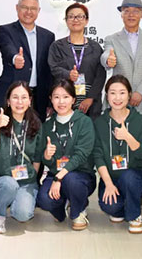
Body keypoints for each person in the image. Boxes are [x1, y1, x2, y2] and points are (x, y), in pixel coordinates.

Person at [93, 75, 142, 233]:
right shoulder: (100, 122)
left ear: (129, 95)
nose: (117, 98)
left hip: (136, 178)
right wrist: (108, 184)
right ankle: (123, 207)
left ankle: (134, 216)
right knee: (110, 207)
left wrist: (127, 137)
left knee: (129, 177)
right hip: (111, 179)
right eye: (112, 93)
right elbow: (98, 156)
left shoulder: (139, 120)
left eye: (122, 93)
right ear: (107, 96)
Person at [36, 80, 96, 230]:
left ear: (73, 100)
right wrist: (47, 156)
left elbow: (81, 155)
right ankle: (62, 208)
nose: (61, 102)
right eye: (56, 97)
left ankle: (78, 210)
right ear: (51, 99)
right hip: (55, 174)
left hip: (81, 175)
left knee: (72, 181)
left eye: (66, 97)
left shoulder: (85, 122)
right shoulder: (47, 126)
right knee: (44, 199)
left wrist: (59, 178)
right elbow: (45, 161)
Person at [0, 81, 42, 234]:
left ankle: (13, 200)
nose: (19, 102)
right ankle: (0, 214)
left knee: (22, 215)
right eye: (15, 97)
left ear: (30, 101)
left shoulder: (35, 123)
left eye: (24, 97)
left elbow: (37, 157)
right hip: (1, 179)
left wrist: (32, 177)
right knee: (9, 185)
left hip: (25, 181)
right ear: (8, 101)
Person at [101, 0, 142, 130]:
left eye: (136, 11)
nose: (131, 15)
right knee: (117, 139)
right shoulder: (112, 39)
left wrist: (140, 92)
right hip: (119, 102)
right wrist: (108, 60)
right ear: (121, 14)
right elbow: (106, 54)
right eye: (126, 11)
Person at [0, 0, 54, 120]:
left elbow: (48, 71)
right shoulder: (6, 30)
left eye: (33, 8)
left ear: (38, 10)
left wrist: (49, 101)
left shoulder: (48, 36)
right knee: (8, 130)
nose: (29, 12)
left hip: (38, 98)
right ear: (17, 8)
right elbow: (7, 49)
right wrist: (15, 59)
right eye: (24, 7)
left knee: (36, 131)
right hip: (12, 95)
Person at [47, 3, 106, 119]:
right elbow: (53, 68)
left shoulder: (95, 47)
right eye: (71, 16)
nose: (75, 20)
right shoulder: (57, 46)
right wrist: (67, 74)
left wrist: (90, 98)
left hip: (90, 104)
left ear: (86, 20)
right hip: (64, 100)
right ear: (66, 20)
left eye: (80, 16)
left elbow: (100, 75)